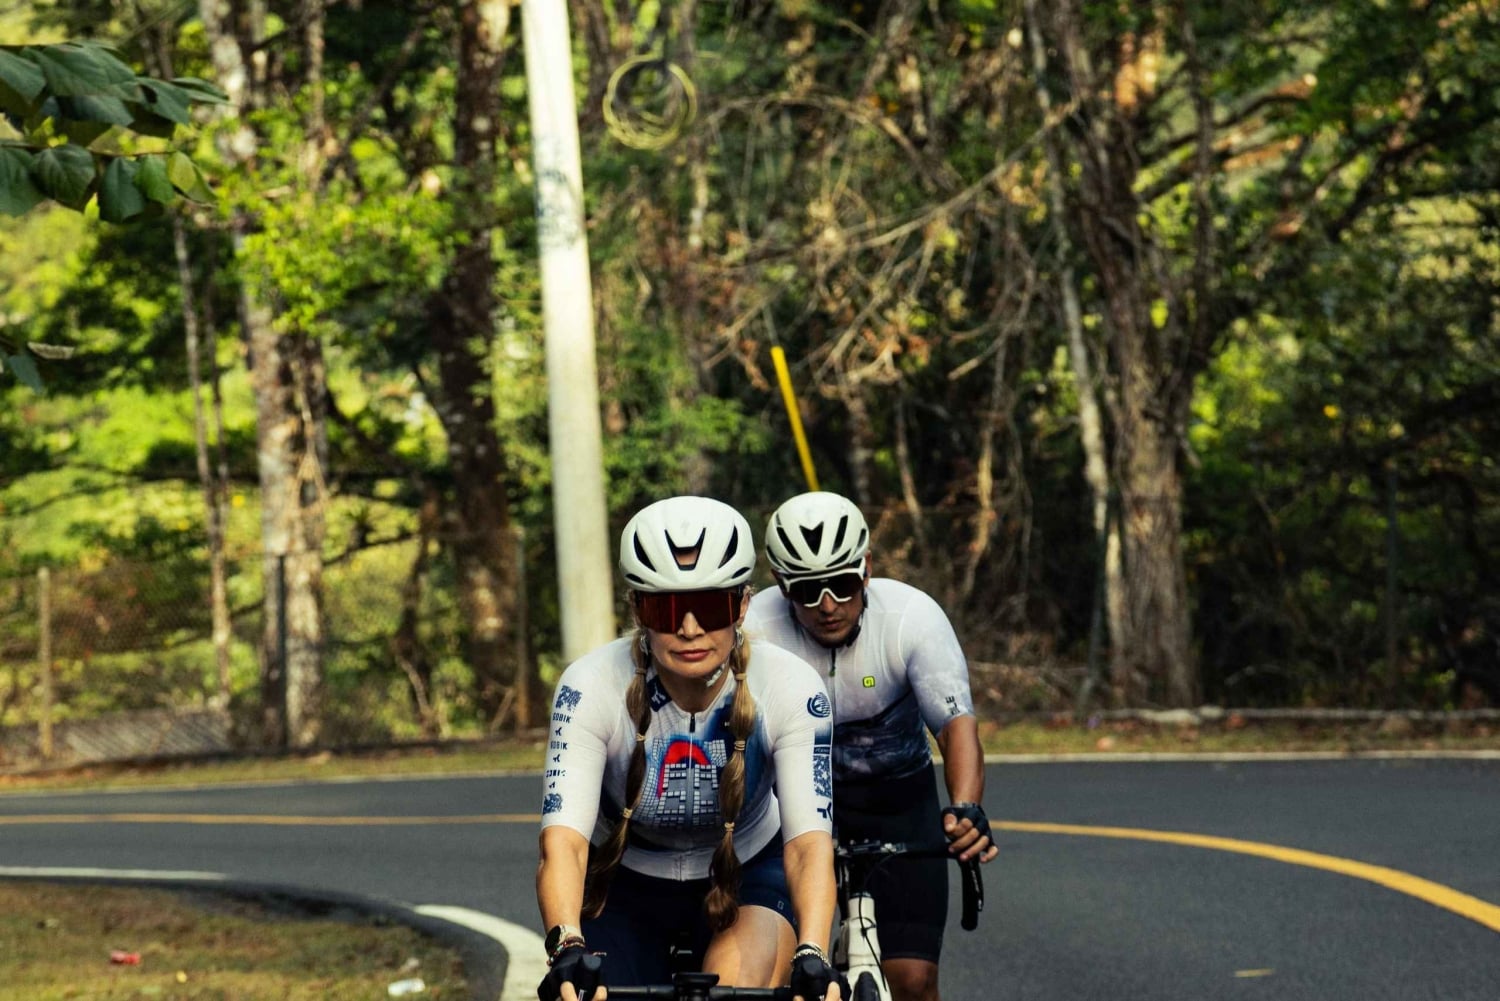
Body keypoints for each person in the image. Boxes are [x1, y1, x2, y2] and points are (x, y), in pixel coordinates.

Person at [537, 495, 846, 1001]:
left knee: (732, 988)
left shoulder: (791, 686)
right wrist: (566, 945)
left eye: (708, 607)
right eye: (667, 609)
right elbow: (564, 843)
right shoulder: (589, 685)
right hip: (623, 879)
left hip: (749, 871)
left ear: (743, 605)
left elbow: (808, 845)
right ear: (639, 609)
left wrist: (812, 950)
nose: (689, 629)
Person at [744, 491, 998, 1001]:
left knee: (913, 980)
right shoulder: (753, 631)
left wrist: (966, 807)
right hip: (791, 804)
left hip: (897, 799)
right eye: (808, 591)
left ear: (866, 570)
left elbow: (955, 727)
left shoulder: (911, 618)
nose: (828, 606)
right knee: (778, 973)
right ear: (780, 584)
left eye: (841, 584)